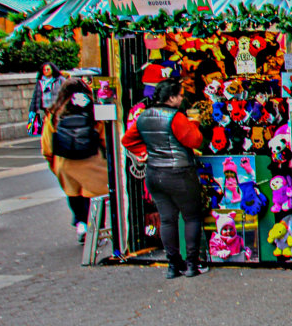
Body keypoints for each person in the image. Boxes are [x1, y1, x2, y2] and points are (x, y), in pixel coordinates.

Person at [119, 84, 209, 277]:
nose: (182, 99)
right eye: (180, 96)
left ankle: (173, 266)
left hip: (154, 173)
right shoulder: (176, 117)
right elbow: (194, 141)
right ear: (172, 97)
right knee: (191, 217)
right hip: (179, 173)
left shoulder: (143, 116)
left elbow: (127, 140)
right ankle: (192, 264)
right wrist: (195, 123)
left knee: (167, 220)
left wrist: (143, 152)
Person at [40, 79, 108, 245]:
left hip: (65, 161)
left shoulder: (54, 112)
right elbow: (107, 136)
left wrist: (54, 164)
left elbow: (47, 147)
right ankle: (95, 231)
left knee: (74, 194)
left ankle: (81, 224)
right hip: (92, 160)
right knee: (95, 199)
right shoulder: (96, 109)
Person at [26, 62, 62, 136]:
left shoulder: (59, 80)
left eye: (48, 69)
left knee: (56, 127)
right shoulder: (40, 82)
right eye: (44, 70)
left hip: (56, 109)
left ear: (53, 70)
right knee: (46, 129)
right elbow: (35, 96)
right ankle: (48, 143)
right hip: (44, 109)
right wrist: (32, 110)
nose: (46, 71)